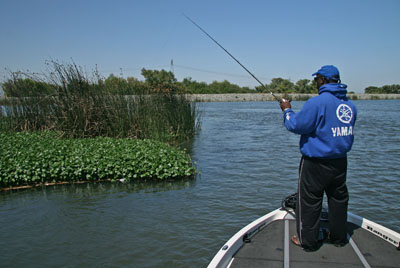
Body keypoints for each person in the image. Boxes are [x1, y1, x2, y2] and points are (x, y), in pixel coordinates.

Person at [279, 65, 357, 251]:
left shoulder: (317, 103)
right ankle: (338, 238)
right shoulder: (349, 105)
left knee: (309, 201)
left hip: (314, 164)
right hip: (340, 163)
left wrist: (286, 110)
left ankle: (307, 241)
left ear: (322, 80)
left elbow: (296, 126)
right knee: (338, 201)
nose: (315, 83)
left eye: (316, 79)